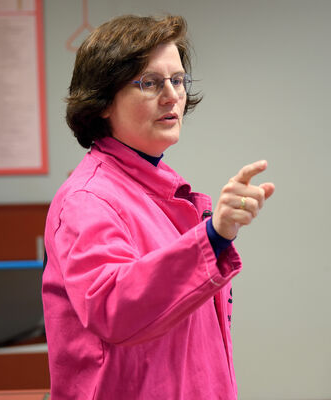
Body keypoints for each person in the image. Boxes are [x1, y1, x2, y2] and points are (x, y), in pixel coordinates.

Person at [42, 15, 274, 399]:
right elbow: (113, 307)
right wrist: (212, 236)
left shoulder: (157, 189)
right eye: (149, 83)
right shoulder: (88, 200)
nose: (172, 96)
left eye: (178, 80)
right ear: (102, 101)